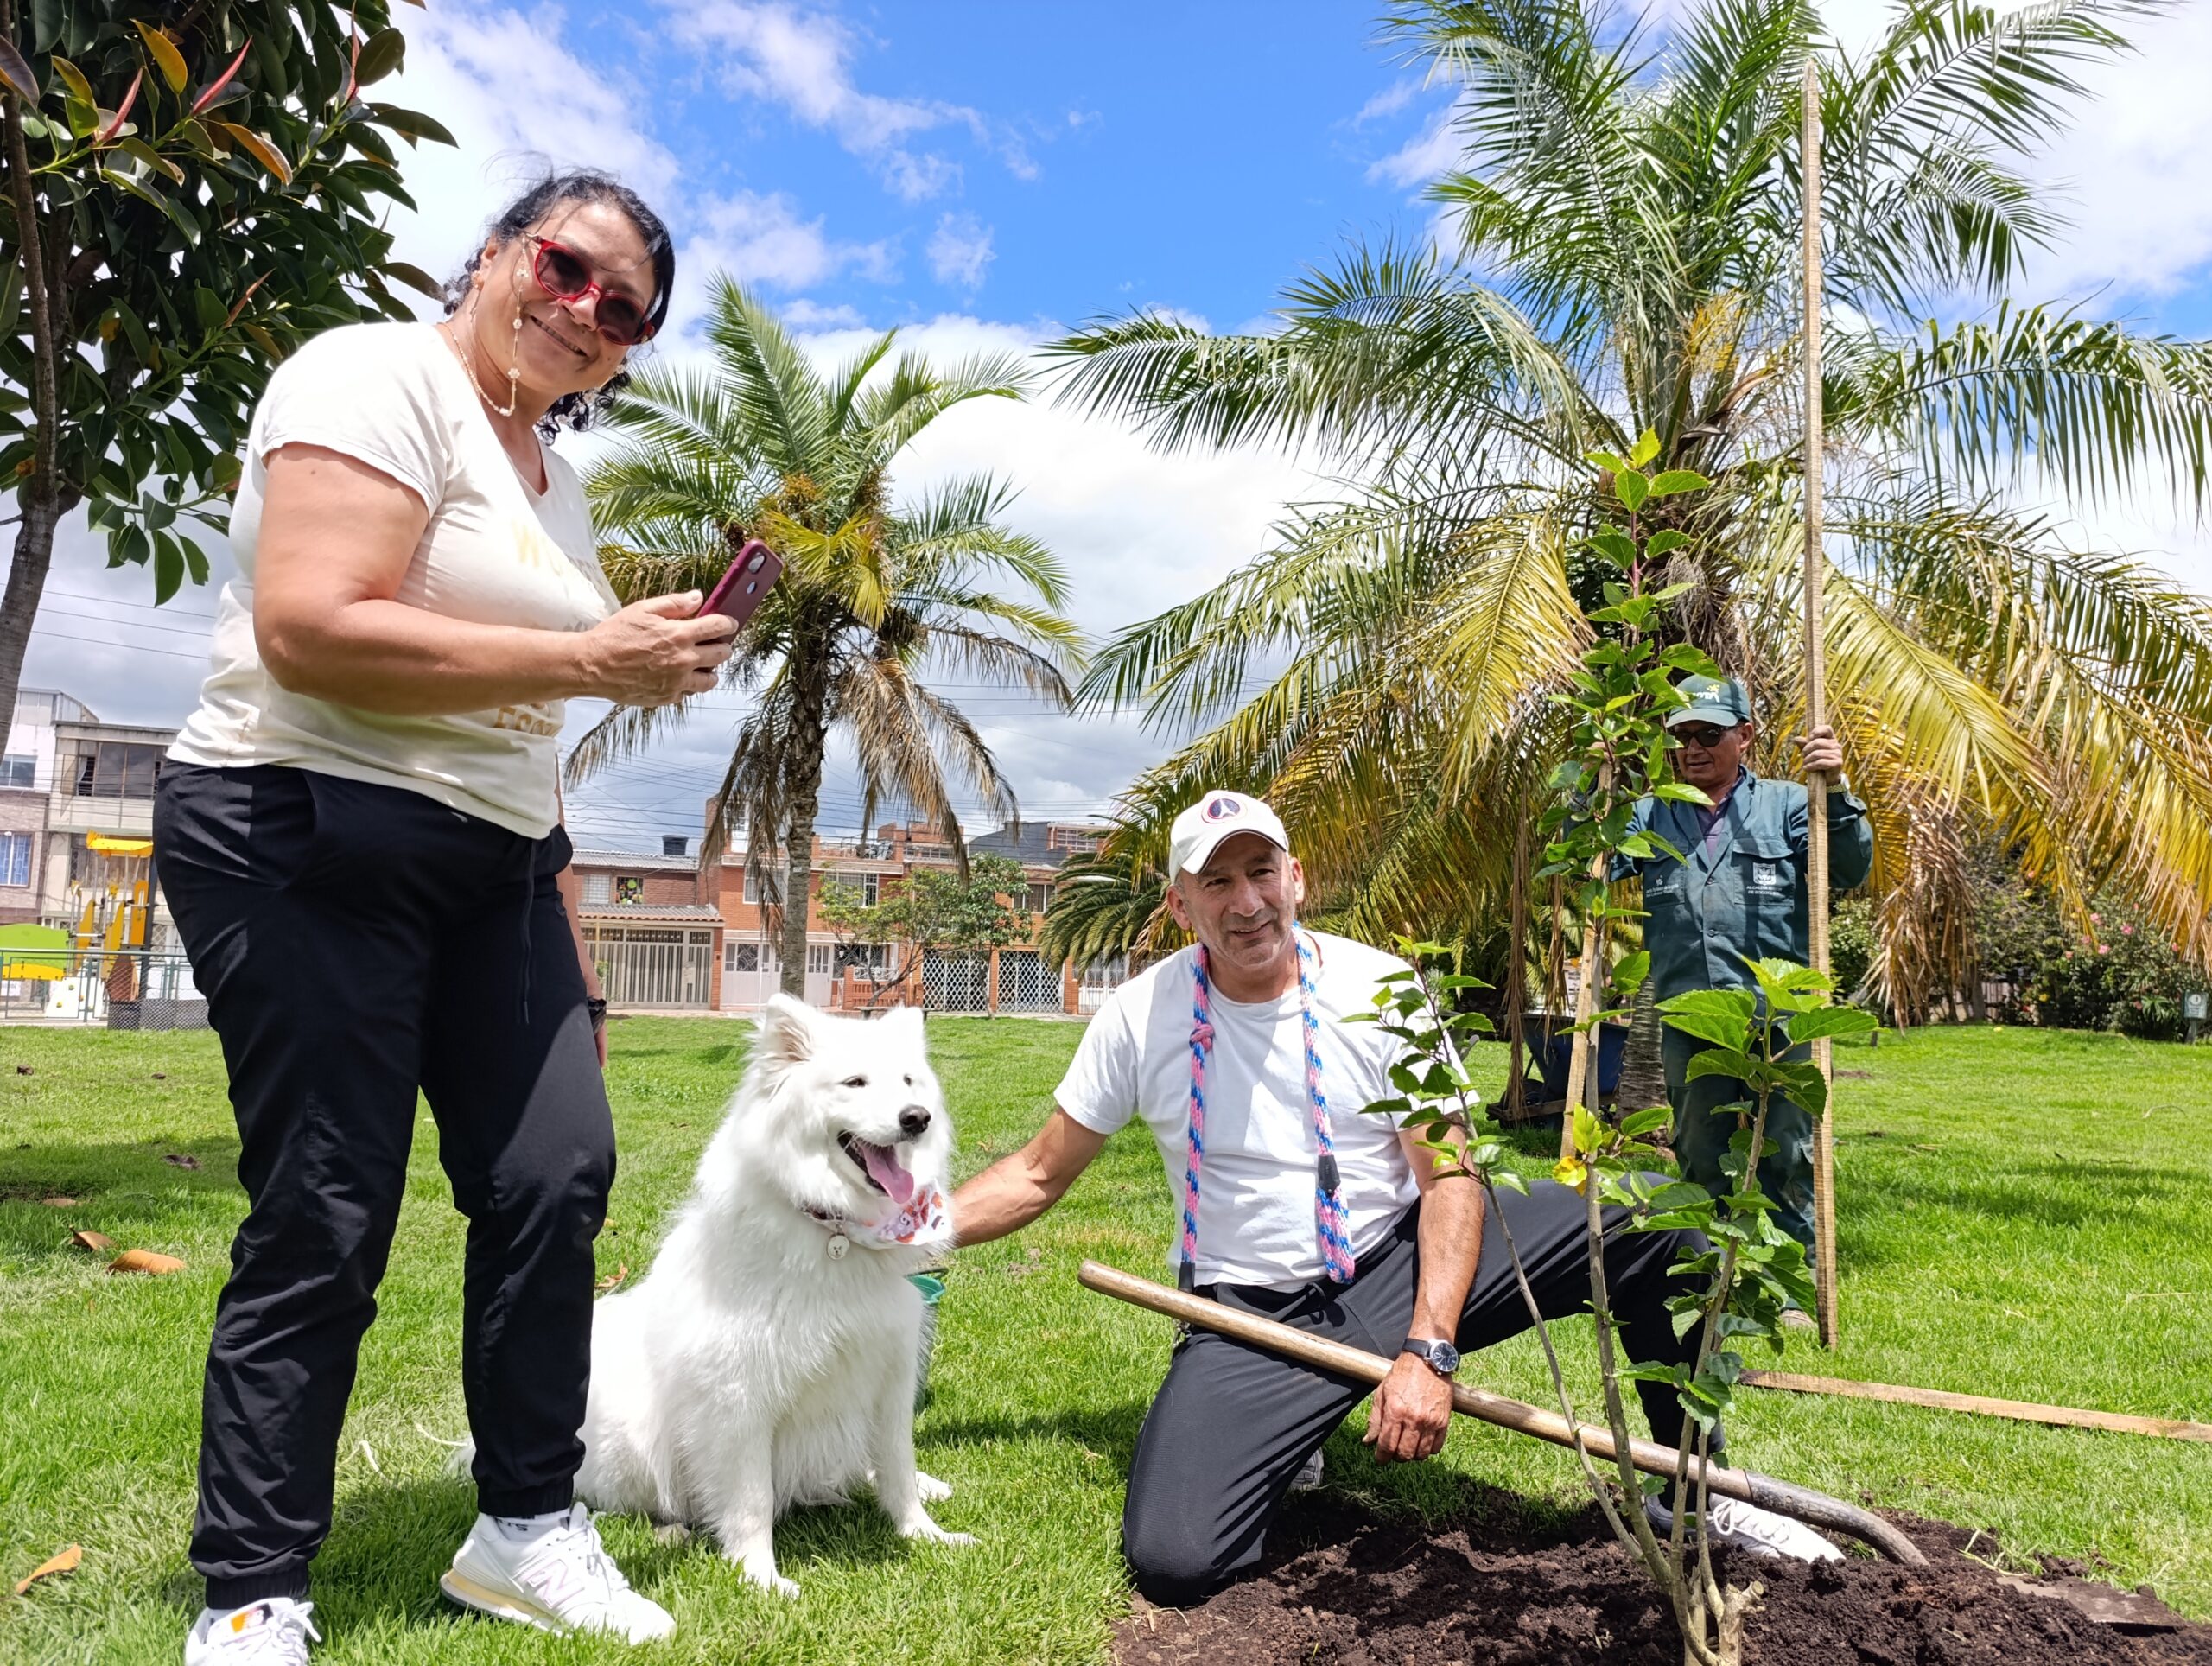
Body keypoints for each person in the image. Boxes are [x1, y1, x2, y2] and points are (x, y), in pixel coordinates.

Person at [157, 172, 736, 1663]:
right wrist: (595, 660)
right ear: (493, 254)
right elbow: (311, 625)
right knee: (327, 1206)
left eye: (626, 312)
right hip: (306, 821)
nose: (588, 311)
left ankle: (525, 1527)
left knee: (556, 1172)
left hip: (499, 864)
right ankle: (253, 1590)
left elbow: (521, 720)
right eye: (567, 266)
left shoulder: (557, 483)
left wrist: (567, 920)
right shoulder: (375, 374)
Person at [951, 790, 1840, 1607]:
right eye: (1215, 882)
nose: (1246, 902)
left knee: (1648, 1219)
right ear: (1180, 906)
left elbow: (1450, 1174)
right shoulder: (1140, 1015)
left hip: (1392, 1260)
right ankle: (1290, 1425)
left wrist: (1428, 1349)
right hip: (1250, 1311)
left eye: (1261, 871)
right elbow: (1038, 1172)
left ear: (1296, 878)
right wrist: (906, 1231)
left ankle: (1691, 1490)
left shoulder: (1377, 987)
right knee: (1175, 1557)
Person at [1615, 674, 1874, 1322]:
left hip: (1776, 1016)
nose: (1693, 749)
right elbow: (1590, 862)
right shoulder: (1652, 814)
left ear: (1745, 736)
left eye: (1709, 734)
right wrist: (1591, 787)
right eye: (1681, 738)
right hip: (1691, 1013)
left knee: (1783, 1148)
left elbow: (1849, 868)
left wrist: (1837, 788)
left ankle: (1786, 1288)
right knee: (1699, 1148)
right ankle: (1708, 1281)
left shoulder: (1790, 804)